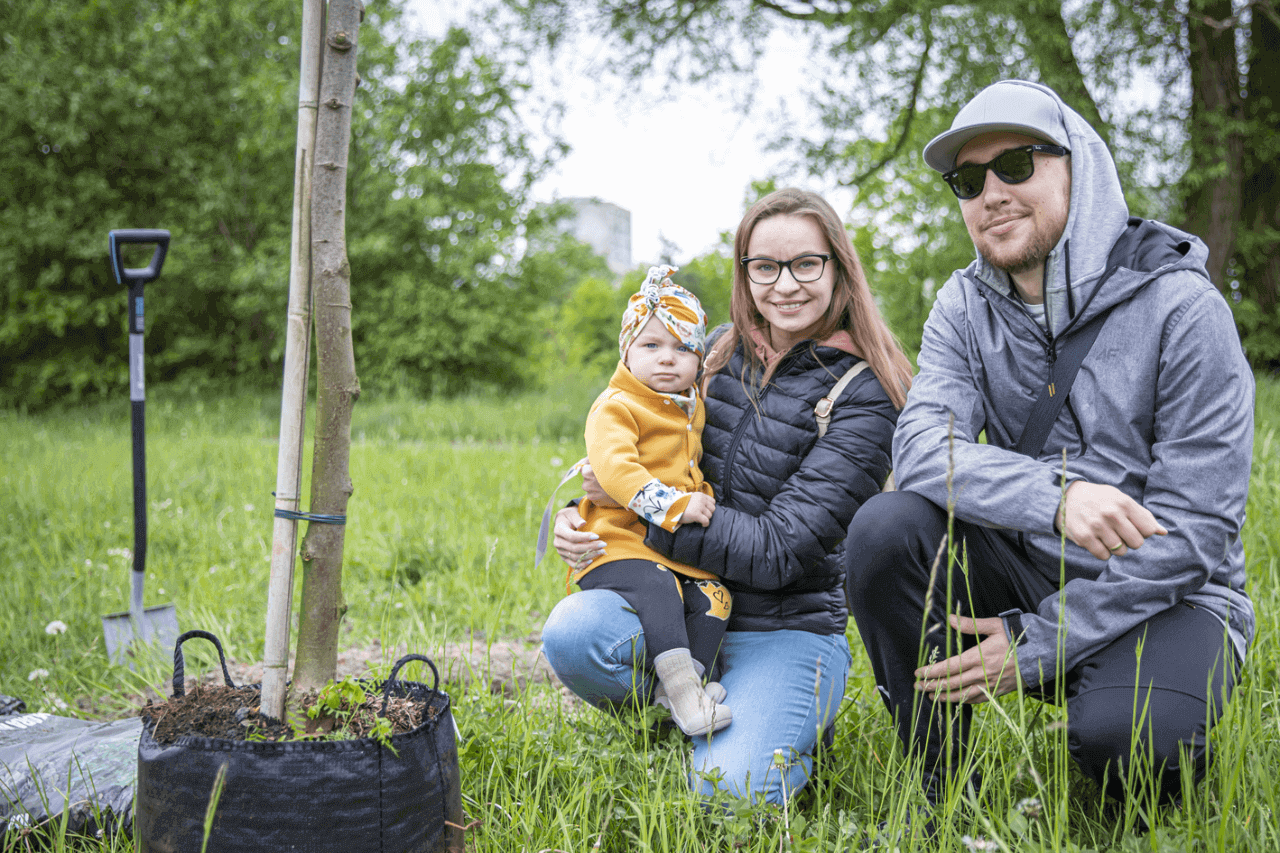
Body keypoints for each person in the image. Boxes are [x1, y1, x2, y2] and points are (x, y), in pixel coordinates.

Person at [846, 79, 1255, 809]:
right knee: (885, 530)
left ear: (1078, 165)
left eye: (1016, 165)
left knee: (1133, 748)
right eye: (969, 180)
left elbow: (1198, 531)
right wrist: (1055, 498)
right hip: (1028, 562)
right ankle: (943, 794)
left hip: (1168, 593)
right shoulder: (962, 305)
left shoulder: (1184, 306)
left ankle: (1108, 745)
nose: (991, 193)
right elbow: (920, 448)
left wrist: (1036, 642)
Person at [542, 188, 913, 805]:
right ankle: (680, 713)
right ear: (745, 272)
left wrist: (643, 508)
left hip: (788, 625)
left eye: (806, 264)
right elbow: (635, 437)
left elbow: (779, 550)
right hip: (686, 599)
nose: (784, 284)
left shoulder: (867, 392)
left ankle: (763, 728)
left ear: (838, 267)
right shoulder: (713, 351)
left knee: (731, 792)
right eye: (764, 266)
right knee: (574, 633)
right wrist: (592, 514)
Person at [542, 265, 733, 738]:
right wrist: (672, 505)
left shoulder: (690, 403)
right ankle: (684, 695)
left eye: (683, 348)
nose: (667, 359)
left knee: (716, 597)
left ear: (699, 359)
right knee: (658, 590)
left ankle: (687, 687)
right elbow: (614, 467)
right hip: (618, 546)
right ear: (626, 351)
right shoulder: (617, 405)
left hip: (669, 550)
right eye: (651, 345)